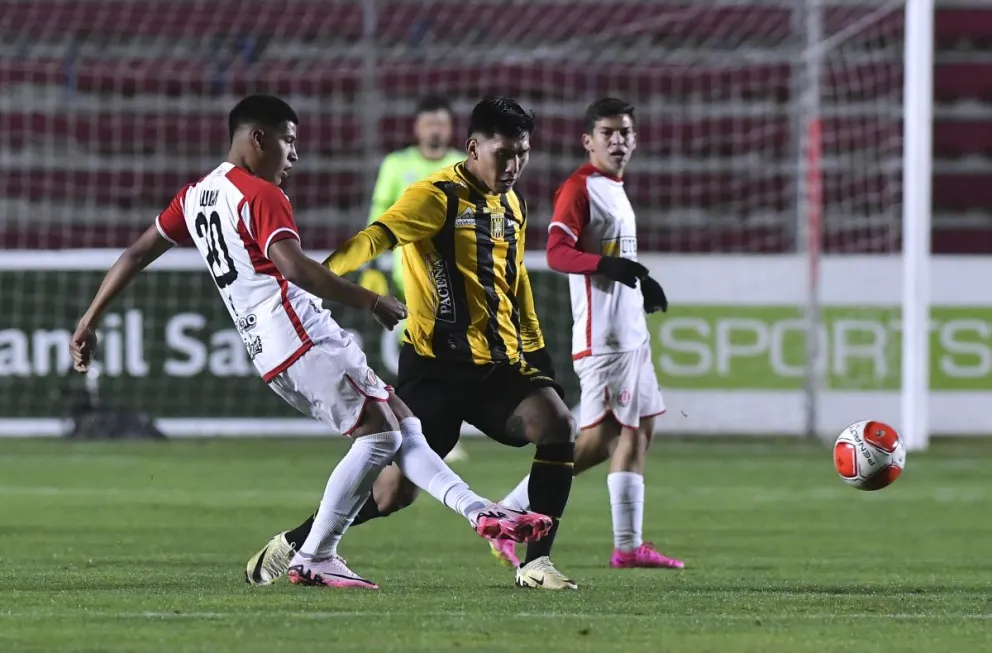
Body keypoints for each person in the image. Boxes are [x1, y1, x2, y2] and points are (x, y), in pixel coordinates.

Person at [67, 94, 551, 591]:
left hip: (269, 350)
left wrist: (88, 319)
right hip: (299, 335)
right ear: (258, 139)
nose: (294, 154)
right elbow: (294, 267)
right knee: (382, 435)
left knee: (403, 424)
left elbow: (135, 253)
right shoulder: (260, 193)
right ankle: (316, 554)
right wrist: (371, 301)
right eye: (289, 141)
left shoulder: (196, 195)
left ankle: (479, 512)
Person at [246, 96, 579, 590]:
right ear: (472, 147)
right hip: (435, 369)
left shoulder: (514, 204)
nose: (514, 166)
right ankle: (295, 543)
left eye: (523, 153)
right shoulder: (435, 196)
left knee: (557, 424)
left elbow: (516, 283)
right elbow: (374, 239)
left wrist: (537, 353)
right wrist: (315, 278)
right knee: (391, 494)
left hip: (497, 367)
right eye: (504, 154)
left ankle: (536, 563)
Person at [488, 98, 686, 571]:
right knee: (598, 440)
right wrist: (610, 266)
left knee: (640, 430)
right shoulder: (579, 188)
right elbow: (557, 253)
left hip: (632, 336)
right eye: (607, 133)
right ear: (588, 141)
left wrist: (638, 284)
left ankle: (628, 546)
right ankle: (507, 513)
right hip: (606, 343)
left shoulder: (615, 188)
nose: (618, 141)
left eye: (625, 133)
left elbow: (617, 257)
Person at [359, 95, 469, 463]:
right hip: (407, 276)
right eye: (429, 122)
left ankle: (428, 432)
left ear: (451, 129)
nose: (435, 129)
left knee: (446, 358)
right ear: (417, 128)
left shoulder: (462, 165)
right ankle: (418, 432)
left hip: (454, 276)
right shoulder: (396, 165)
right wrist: (372, 267)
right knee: (422, 357)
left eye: (442, 122)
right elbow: (380, 215)